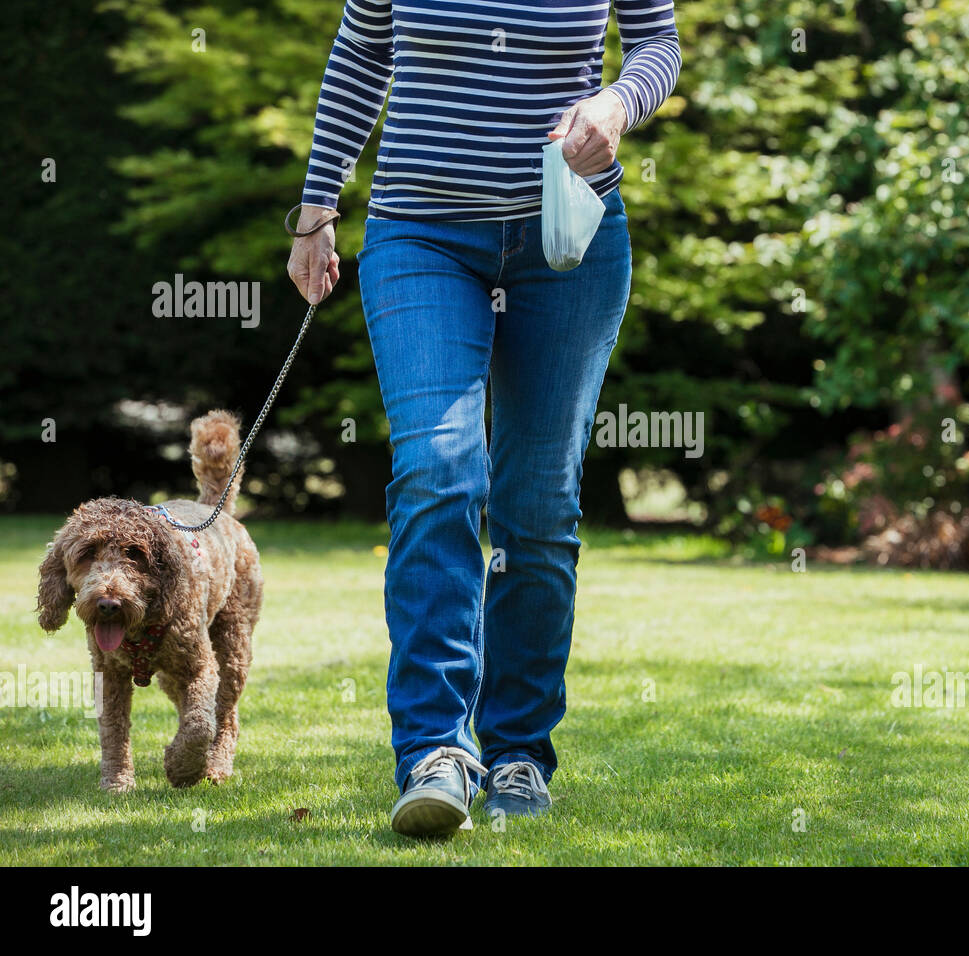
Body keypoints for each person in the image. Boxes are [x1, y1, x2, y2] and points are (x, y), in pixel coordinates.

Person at [286, 0, 681, 838]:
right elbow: (362, 52)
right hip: (421, 232)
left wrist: (615, 103)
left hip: (568, 237)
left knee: (537, 502)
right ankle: (434, 749)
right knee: (438, 468)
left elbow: (658, 43)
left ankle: (518, 754)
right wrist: (318, 207)